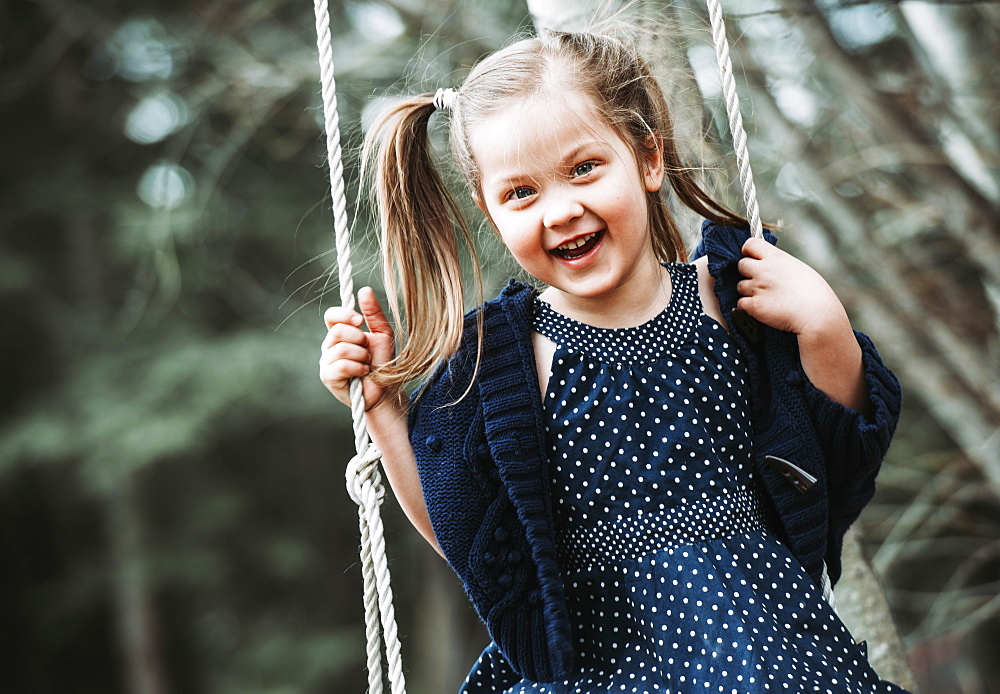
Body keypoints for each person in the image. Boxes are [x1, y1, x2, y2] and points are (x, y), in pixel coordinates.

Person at [320, 29, 908, 694]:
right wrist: (381, 408)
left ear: (648, 158)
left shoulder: (732, 299)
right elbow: (469, 532)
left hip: (764, 641)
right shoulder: (492, 361)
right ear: (488, 209)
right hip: (601, 665)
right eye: (521, 193)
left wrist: (825, 325)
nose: (562, 209)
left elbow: (841, 454)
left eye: (584, 169)